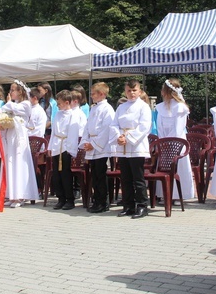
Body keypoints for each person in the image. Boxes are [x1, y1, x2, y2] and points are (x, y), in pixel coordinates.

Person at [113, 79, 152, 219]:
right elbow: (114, 124)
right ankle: (128, 205)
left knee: (138, 178)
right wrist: (119, 136)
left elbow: (144, 126)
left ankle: (142, 206)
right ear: (125, 92)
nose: (132, 93)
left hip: (136, 146)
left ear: (140, 91)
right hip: (123, 146)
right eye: (129, 91)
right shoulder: (121, 107)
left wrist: (128, 138)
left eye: (134, 90)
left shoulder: (144, 107)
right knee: (125, 178)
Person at [155, 78, 195, 202]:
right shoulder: (160, 107)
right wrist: (163, 141)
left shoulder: (180, 107)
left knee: (178, 167)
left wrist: (170, 142)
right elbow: (159, 126)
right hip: (164, 141)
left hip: (177, 142)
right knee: (163, 167)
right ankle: (164, 193)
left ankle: (178, 195)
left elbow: (179, 128)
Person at [0, 80, 39, 207]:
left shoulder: (26, 104)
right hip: (10, 135)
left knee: (18, 163)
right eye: (10, 90)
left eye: (13, 90)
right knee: (10, 163)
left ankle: (20, 196)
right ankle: (12, 195)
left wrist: (8, 103)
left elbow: (12, 109)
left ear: (20, 92)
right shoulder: (13, 104)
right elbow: (3, 111)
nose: (10, 92)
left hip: (19, 137)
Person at [80, 82, 115, 213]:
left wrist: (94, 144)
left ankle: (103, 202)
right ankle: (96, 200)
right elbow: (87, 127)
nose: (91, 96)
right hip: (91, 144)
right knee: (94, 174)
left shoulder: (108, 109)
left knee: (101, 175)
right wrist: (85, 141)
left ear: (102, 94)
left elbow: (107, 129)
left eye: (93, 93)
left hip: (101, 147)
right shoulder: (93, 108)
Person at [49, 90, 82, 210]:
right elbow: (53, 132)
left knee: (65, 174)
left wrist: (70, 150)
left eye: (59, 103)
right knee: (56, 175)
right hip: (57, 145)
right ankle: (60, 198)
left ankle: (69, 199)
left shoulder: (73, 115)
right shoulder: (58, 114)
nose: (58, 106)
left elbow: (73, 134)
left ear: (67, 102)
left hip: (66, 147)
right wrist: (50, 147)